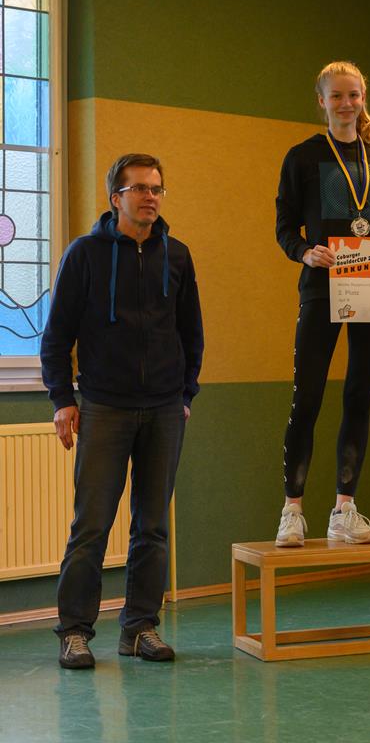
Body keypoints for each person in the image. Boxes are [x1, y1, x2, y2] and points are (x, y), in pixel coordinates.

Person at [41, 153, 204, 669]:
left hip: (162, 409)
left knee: (152, 526)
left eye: (157, 188)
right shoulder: (85, 254)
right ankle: (74, 631)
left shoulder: (177, 256)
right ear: (116, 198)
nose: (151, 196)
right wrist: (64, 400)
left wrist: (184, 395)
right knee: (91, 525)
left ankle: (140, 628)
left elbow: (191, 333)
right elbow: (56, 337)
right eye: (140, 189)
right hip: (104, 406)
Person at [274, 61, 370, 546]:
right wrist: (304, 251)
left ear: (363, 98)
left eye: (354, 96)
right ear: (322, 102)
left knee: (358, 397)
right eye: (337, 97)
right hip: (322, 287)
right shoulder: (302, 157)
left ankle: (344, 509)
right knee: (307, 397)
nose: (346, 104)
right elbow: (285, 224)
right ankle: (292, 510)